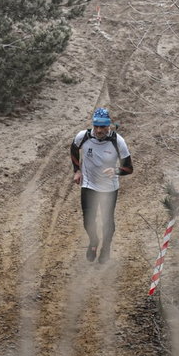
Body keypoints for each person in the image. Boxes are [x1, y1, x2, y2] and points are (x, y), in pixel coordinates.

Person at [70, 107, 134, 263]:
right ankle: (93, 241)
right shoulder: (83, 136)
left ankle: (106, 248)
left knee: (107, 220)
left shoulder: (117, 141)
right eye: (96, 126)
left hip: (109, 188)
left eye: (103, 127)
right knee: (88, 220)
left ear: (109, 126)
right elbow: (73, 149)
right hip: (89, 184)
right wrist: (77, 170)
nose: (99, 130)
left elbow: (129, 168)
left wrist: (116, 171)